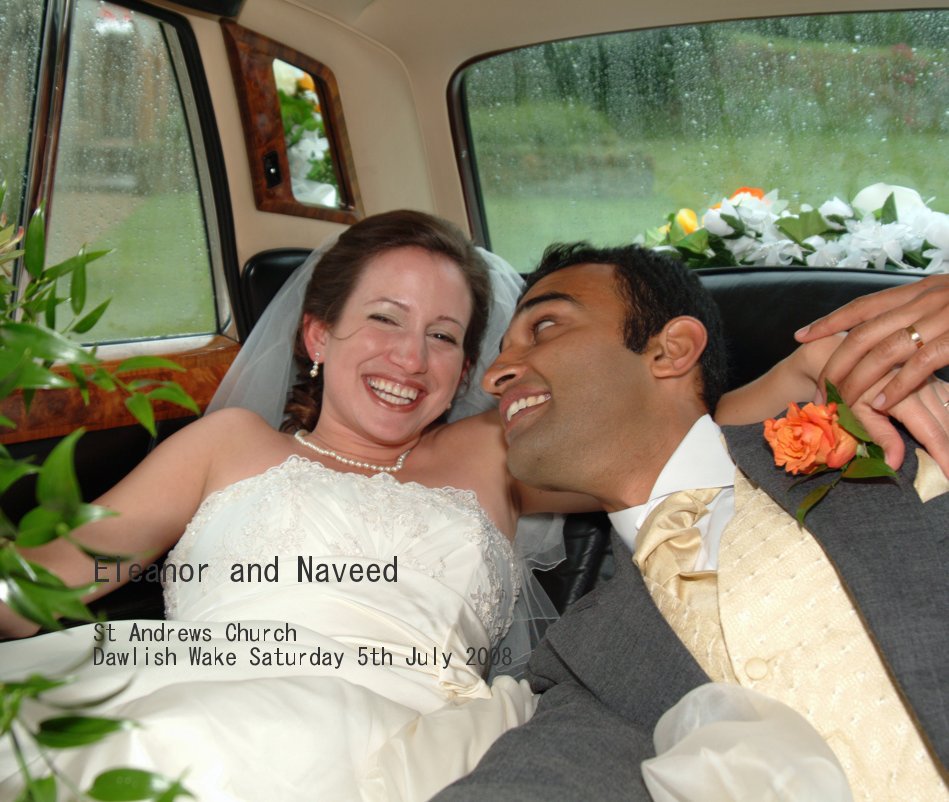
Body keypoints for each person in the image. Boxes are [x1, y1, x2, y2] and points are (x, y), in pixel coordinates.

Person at [435, 243, 948, 801]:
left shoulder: (890, 442)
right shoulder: (587, 659)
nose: (495, 375)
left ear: (671, 350)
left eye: (545, 326)